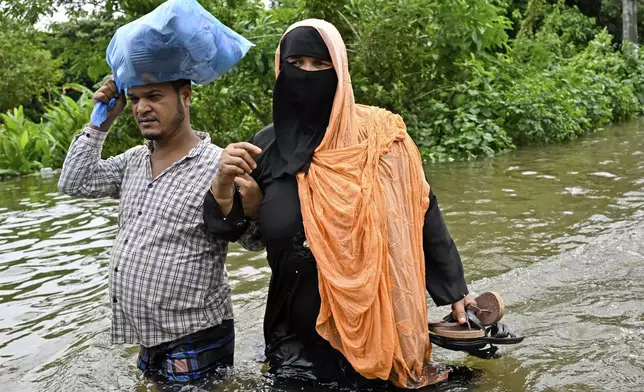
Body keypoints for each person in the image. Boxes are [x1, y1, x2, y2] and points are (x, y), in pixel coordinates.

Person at [203, 20, 476, 389]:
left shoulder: (380, 138)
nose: (307, 74)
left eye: (320, 65)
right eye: (296, 63)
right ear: (280, 68)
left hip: (379, 326)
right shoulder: (265, 146)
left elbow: (420, 209)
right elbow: (235, 233)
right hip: (295, 339)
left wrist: (454, 291)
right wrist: (225, 191)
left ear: (340, 70)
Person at [58, 77, 262, 383]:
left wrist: (254, 207)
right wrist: (101, 121)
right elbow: (75, 182)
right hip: (149, 336)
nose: (142, 108)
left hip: (196, 333)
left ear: (186, 96)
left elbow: (253, 242)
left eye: (154, 96)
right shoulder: (133, 161)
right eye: (136, 99)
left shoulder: (219, 166)